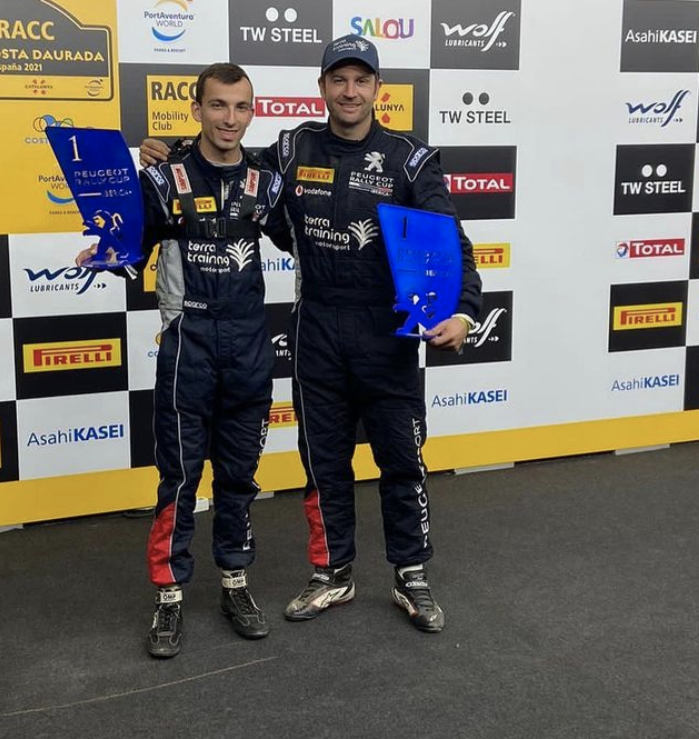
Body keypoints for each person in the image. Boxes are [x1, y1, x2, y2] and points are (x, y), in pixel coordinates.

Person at [140, 36, 482, 634]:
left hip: (387, 331)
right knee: (323, 463)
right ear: (322, 87)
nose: (350, 92)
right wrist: (171, 151)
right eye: (338, 80)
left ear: (377, 89)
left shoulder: (409, 159)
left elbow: (450, 239)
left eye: (361, 80)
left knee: (402, 461)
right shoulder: (293, 148)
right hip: (317, 328)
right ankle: (333, 573)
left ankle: (411, 574)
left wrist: (463, 311)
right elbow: (227, 163)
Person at [79, 63, 292, 658]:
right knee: (178, 478)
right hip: (187, 344)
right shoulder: (161, 177)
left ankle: (235, 584)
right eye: (218, 105)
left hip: (249, 347)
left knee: (240, 476)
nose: (230, 118)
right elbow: (130, 246)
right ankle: (169, 595)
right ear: (197, 109)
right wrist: (106, 252)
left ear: (253, 112)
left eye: (241, 107)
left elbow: (305, 239)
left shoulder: (267, 181)